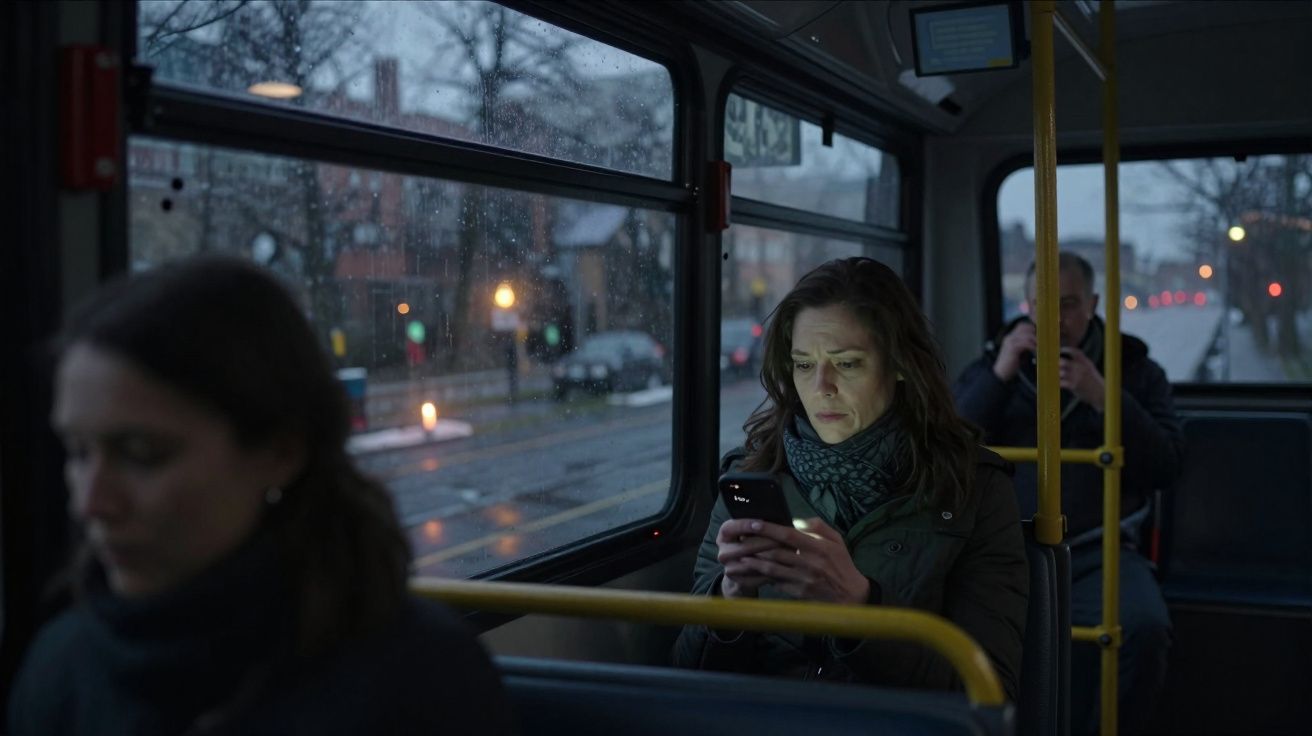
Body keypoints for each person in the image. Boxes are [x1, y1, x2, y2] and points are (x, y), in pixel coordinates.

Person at [7, 257, 514, 736]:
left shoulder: (420, 678)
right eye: (77, 452)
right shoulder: (59, 665)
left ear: (279, 450)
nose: (90, 504)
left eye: (142, 453)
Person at [673, 257, 1029, 701]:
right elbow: (690, 675)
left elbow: (990, 690)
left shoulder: (972, 488)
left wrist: (860, 606)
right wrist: (730, 599)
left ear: (899, 365)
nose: (821, 386)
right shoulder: (753, 476)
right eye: (803, 365)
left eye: (847, 364)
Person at [953, 252, 1184, 736]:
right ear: (1027, 304)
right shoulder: (994, 363)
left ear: (1095, 304)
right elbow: (947, 449)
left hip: (1102, 549)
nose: (1056, 319)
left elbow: (1165, 464)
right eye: (1043, 304)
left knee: (1142, 628)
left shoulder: (1135, 368)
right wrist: (999, 376)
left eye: (1071, 304)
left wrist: (1104, 396)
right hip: (1005, 551)